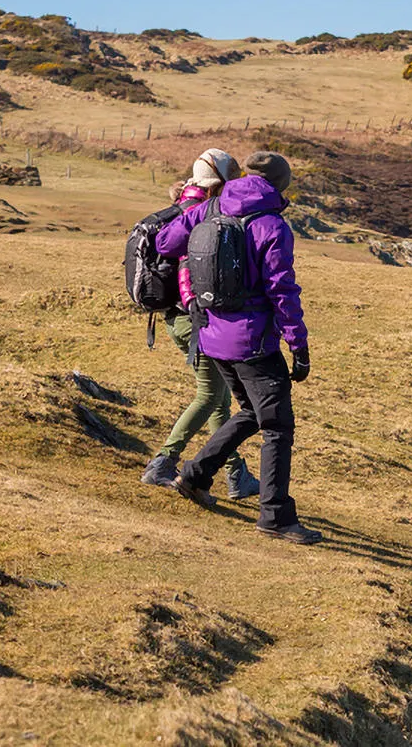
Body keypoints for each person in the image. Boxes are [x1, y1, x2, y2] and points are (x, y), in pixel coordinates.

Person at [155, 151, 321, 545]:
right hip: (253, 343)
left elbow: (165, 242)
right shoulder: (272, 225)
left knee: (251, 411)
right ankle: (275, 516)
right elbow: (282, 291)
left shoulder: (211, 206)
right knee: (278, 426)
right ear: (281, 186)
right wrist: (299, 346)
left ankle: (195, 476)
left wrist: (190, 212)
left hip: (210, 335)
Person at [139, 150, 258, 501]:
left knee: (218, 401)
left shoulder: (188, 205)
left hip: (182, 317)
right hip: (195, 318)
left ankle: (238, 476)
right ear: (220, 182)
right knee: (209, 396)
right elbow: (190, 266)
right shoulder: (200, 212)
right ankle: (163, 461)